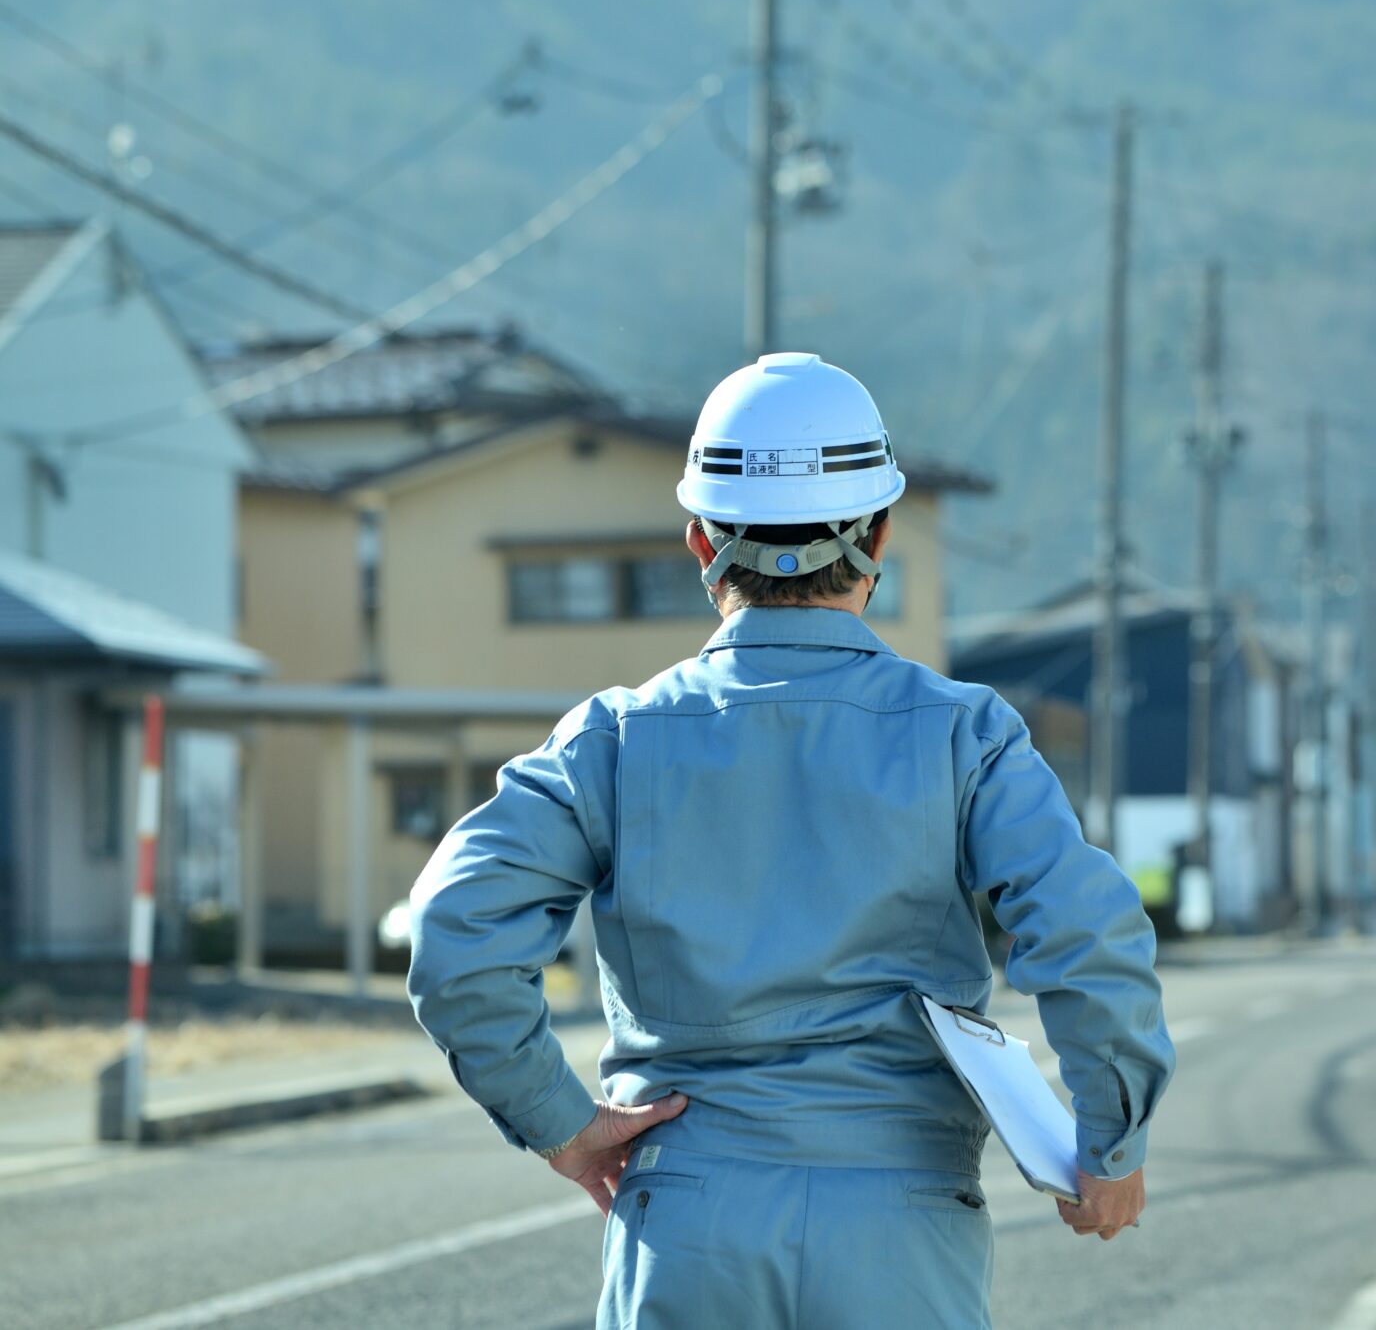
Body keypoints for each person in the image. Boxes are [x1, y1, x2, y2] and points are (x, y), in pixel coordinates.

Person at [407, 352, 1174, 1329]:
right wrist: (1109, 1142)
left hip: (685, 1218)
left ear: (699, 541)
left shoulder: (615, 738)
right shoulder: (963, 734)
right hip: (902, 1223)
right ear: (880, 534)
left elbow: (454, 928)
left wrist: (558, 1121)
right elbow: (1087, 935)